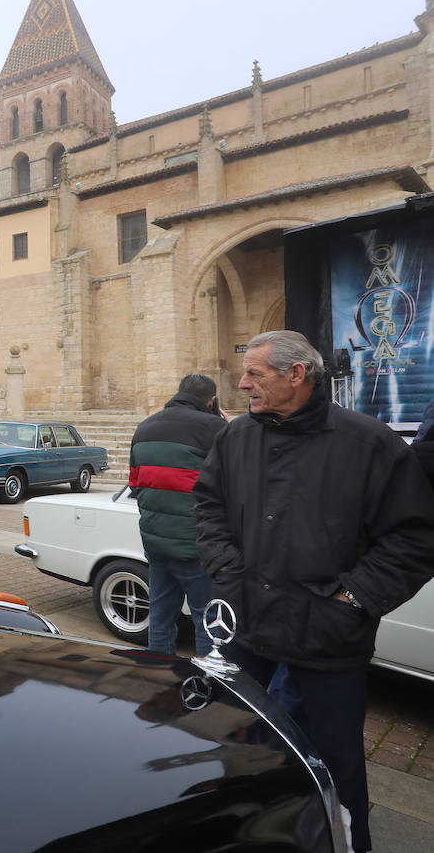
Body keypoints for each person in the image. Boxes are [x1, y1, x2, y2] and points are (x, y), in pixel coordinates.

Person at [194, 330, 434, 853]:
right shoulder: (234, 438)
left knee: (332, 759)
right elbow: (208, 507)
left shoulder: (368, 443)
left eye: (255, 373)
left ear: (296, 374)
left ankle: (343, 842)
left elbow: (416, 536)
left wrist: (353, 599)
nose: (243, 384)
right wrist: (229, 572)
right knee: (239, 741)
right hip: (246, 625)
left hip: (327, 635)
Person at [128, 374, 226, 657]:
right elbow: (233, 483)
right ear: (211, 400)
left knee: (160, 616)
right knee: (207, 620)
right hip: (197, 545)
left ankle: (160, 679)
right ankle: (210, 686)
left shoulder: (144, 426)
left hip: (156, 544)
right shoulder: (214, 427)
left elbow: (135, 484)